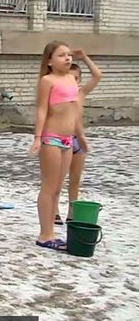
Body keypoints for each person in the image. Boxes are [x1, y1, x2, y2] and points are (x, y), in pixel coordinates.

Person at [28, 41, 79, 251]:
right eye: (61, 55)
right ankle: (45, 234)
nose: (67, 58)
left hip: (68, 139)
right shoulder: (47, 81)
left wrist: (80, 136)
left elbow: (75, 110)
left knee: (58, 187)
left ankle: (52, 232)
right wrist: (37, 137)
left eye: (69, 54)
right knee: (49, 187)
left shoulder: (71, 79)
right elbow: (42, 110)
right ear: (49, 61)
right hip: (51, 138)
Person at [55, 50, 101, 223]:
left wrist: (84, 57)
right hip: (61, 139)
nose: (73, 81)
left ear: (79, 80)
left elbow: (97, 75)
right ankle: (54, 211)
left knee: (75, 180)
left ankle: (72, 212)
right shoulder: (58, 93)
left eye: (76, 78)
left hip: (78, 141)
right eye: (69, 77)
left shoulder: (80, 94)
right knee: (57, 180)